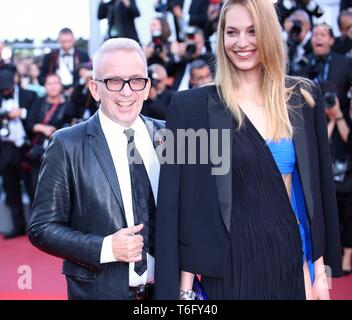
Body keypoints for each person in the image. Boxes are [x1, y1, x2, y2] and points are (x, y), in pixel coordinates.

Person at [155, 0, 342, 300]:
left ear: (268, 34)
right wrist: (185, 290)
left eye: (252, 31)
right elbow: (185, 205)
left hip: (290, 260)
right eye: (232, 32)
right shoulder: (191, 107)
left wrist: (320, 272)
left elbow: (315, 195)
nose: (241, 43)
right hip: (230, 269)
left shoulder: (302, 99)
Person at [27, 38, 163, 300]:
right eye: (114, 81)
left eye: (136, 80)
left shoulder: (169, 135)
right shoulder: (67, 144)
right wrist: (106, 247)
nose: (126, 92)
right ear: (95, 88)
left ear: (147, 87)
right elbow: (41, 227)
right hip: (100, 292)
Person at [0, 69, 37, 239]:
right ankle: (18, 226)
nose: (6, 91)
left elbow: (37, 115)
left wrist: (21, 112)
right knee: (10, 187)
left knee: (32, 187)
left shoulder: (29, 95)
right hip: (5, 148)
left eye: (7, 88)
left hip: (26, 147)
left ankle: (38, 227)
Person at [39, 28, 90, 93]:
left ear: (73, 40)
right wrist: (52, 86)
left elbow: (88, 74)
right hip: (56, 94)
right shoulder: (50, 56)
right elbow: (41, 76)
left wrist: (76, 87)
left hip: (78, 93)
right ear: (58, 40)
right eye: (63, 41)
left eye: (69, 41)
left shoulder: (82, 55)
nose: (66, 44)